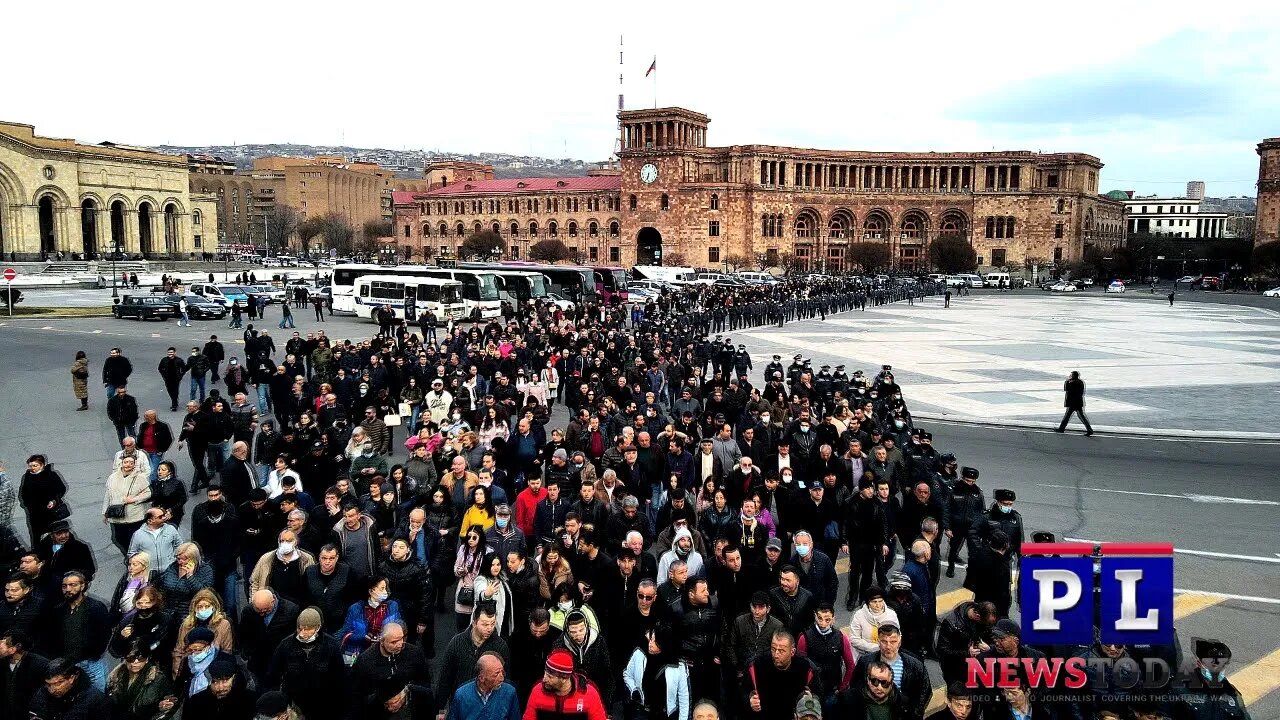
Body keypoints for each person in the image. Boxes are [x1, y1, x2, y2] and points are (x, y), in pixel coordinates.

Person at [265, 607, 345, 720]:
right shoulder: (286, 645)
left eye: (308, 629)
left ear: (318, 628)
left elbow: (339, 677)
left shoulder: (331, 645)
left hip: (323, 703)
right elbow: (274, 674)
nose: (303, 633)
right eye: (300, 628)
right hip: (295, 703)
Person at [46, 572, 112, 691]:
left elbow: (105, 633)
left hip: (91, 663)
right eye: (64, 586)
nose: (68, 589)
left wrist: (94, 654)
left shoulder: (96, 607)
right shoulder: (58, 610)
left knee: (97, 695)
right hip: (67, 664)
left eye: (73, 585)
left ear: (82, 586)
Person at [744, 632, 820, 720]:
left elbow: (818, 694)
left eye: (781, 651)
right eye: (773, 649)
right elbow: (743, 690)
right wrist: (750, 700)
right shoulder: (757, 665)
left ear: (792, 652)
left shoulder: (806, 668)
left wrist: (811, 700)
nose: (776, 654)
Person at [623, 625, 690, 720]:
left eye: (654, 641)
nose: (650, 643)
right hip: (643, 713)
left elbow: (684, 698)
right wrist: (634, 689)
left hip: (667, 715)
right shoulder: (639, 654)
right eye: (650, 640)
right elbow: (627, 674)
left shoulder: (678, 665)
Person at [523, 647, 608, 720]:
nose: (544, 679)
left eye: (550, 676)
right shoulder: (537, 691)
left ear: (564, 679)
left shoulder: (588, 694)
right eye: (545, 673)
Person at [445, 652, 522, 720]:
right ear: (481, 678)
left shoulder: (509, 692)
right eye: (496, 674)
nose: (502, 677)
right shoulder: (462, 694)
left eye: (502, 671)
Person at [27, 658, 111, 720]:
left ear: (72, 678)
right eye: (48, 684)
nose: (52, 689)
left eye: (58, 683)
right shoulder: (43, 693)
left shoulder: (95, 700)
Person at [103, 455, 153, 554]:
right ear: (121, 463)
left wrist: (134, 499)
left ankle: (135, 560)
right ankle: (129, 555)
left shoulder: (140, 478)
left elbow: (148, 493)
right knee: (118, 539)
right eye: (126, 462)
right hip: (116, 515)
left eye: (131, 463)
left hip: (134, 515)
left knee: (134, 540)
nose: (128, 465)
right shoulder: (112, 477)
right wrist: (105, 512)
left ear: (134, 465)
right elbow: (108, 495)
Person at [19, 454, 68, 548]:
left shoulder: (51, 475)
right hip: (34, 513)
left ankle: (56, 555)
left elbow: (62, 489)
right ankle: (37, 556)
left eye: (35, 466)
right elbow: (22, 492)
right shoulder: (27, 476)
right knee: (36, 536)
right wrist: (25, 505)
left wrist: (54, 501)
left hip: (50, 512)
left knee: (52, 535)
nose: (32, 468)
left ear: (42, 465)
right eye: (31, 466)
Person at [0, 629, 50, 720]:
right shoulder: (3, 663)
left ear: (17, 646)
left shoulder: (40, 665)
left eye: (5, 643)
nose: (0, 645)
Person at [1055, 371, 1093, 436]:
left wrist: (1067, 381)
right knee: (1080, 416)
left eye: (1071, 375)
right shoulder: (1081, 382)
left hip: (1073, 402)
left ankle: (1061, 429)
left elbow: (1066, 389)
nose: (1070, 376)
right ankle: (1089, 430)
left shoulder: (1072, 383)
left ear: (1074, 376)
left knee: (1067, 416)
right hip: (1078, 402)